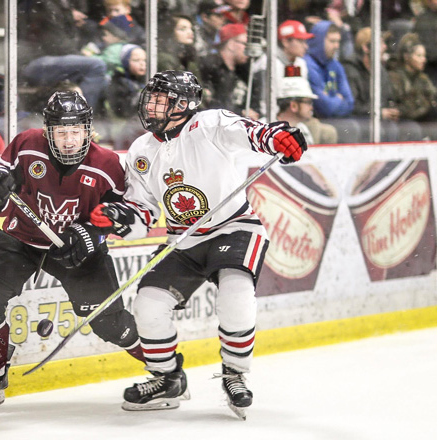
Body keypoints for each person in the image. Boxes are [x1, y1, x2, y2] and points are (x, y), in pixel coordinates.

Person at [89, 70, 306, 414]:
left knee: (236, 291)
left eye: (163, 100)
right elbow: (142, 210)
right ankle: (167, 379)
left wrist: (276, 137)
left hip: (234, 227)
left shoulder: (210, 124)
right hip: (182, 240)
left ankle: (235, 374)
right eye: (152, 98)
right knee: (148, 304)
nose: (152, 106)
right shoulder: (142, 149)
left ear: (185, 104)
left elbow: (252, 133)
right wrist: (121, 217)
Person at [0, 90, 144, 409]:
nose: (69, 140)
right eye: (61, 132)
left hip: (76, 249)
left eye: (76, 131)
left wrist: (92, 234)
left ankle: (165, 369)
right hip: (22, 238)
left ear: (88, 131)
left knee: (109, 323)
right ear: (49, 131)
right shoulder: (26, 145)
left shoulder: (107, 164)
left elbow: (123, 216)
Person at [304, 20, 359, 143]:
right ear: (318, 40)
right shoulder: (308, 64)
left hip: (335, 118)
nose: (337, 46)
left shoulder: (336, 65)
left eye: (338, 41)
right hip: (316, 119)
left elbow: (350, 102)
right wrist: (339, 99)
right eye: (332, 41)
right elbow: (323, 107)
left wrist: (331, 100)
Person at [200, 23, 260, 119]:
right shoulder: (209, 68)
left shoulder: (243, 71)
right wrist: (241, 113)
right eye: (245, 44)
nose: (248, 49)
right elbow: (212, 106)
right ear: (231, 45)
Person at [275, 71, 337, 145]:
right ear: (294, 106)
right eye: (308, 102)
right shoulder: (265, 130)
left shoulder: (303, 129)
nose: (311, 107)